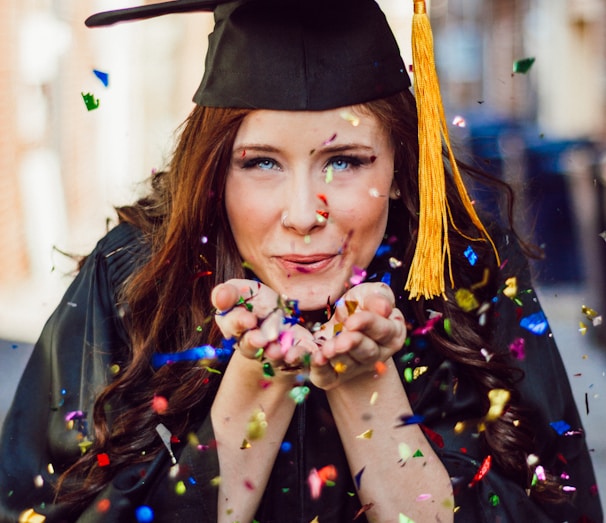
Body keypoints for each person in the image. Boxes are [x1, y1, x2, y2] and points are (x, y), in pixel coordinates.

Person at [0, 0, 602, 522]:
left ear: (399, 165)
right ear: (215, 172)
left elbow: (557, 507)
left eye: (346, 161)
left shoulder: (464, 265)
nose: (302, 213)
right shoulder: (131, 277)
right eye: (261, 162)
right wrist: (254, 386)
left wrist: (366, 387)